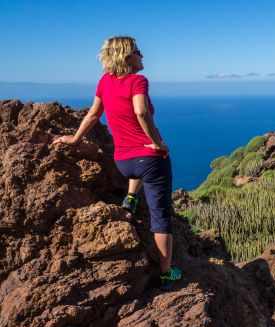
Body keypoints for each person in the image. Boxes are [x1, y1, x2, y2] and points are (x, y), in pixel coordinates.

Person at [53, 36, 182, 290]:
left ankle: (131, 198)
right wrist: (157, 142)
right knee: (161, 217)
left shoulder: (104, 81)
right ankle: (167, 272)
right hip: (149, 161)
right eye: (138, 51)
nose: (142, 55)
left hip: (124, 162)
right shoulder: (138, 81)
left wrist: (75, 139)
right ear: (127, 56)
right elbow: (141, 112)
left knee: (139, 163)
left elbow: (93, 114)